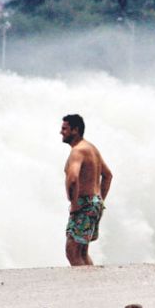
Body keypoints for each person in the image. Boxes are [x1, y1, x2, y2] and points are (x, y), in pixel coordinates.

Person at [60, 114, 113, 266]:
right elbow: (108, 176)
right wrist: (99, 200)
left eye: (65, 128)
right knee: (82, 252)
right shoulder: (91, 148)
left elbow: (72, 178)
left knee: (72, 251)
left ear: (75, 130)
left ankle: (82, 287)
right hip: (93, 203)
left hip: (84, 204)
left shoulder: (78, 151)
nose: (61, 132)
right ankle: (91, 284)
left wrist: (75, 203)